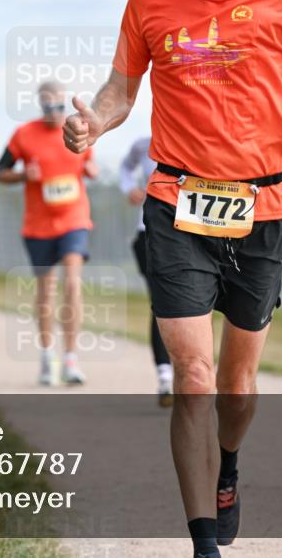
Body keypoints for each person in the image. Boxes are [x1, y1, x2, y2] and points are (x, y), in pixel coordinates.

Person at [62, 0, 282, 554]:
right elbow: (120, 93)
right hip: (177, 202)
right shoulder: (149, 0)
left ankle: (230, 461)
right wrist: (92, 123)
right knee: (194, 373)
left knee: (237, 387)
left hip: (263, 209)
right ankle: (203, 543)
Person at [0, 81, 99, 386]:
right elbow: (0, 173)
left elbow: (89, 164)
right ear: (40, 106)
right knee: (46, 291)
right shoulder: (23, 135)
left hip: (74, 219)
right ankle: (46, 357)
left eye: (58, 106)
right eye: (47, 106)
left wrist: (91, 171)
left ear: (64, 105)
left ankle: (71, 359)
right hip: (38, 225)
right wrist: (20, 175)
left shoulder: (77, 129)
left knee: (72, 283)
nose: (53, 112)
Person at [120, 135, 174, 407]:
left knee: (200, 306)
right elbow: (125, 167)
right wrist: (129, 188)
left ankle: (192, 373)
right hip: (149, 234)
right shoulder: (143, 144)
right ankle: (166, 376)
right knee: (162, 303)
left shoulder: (204, 137)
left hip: (194, 232)